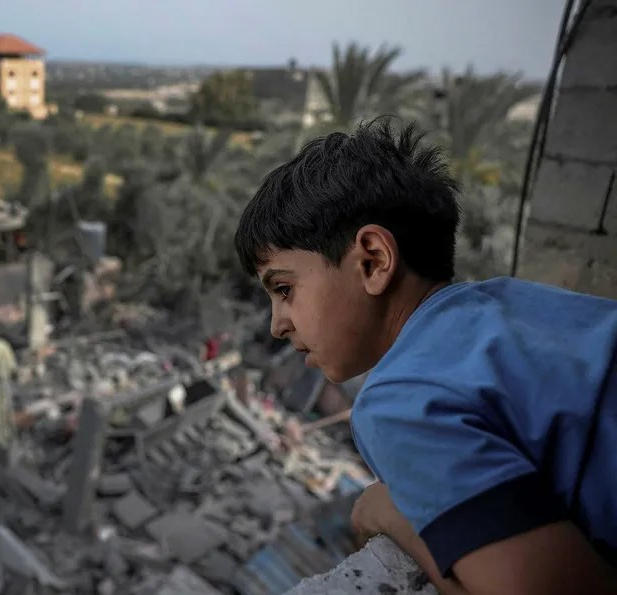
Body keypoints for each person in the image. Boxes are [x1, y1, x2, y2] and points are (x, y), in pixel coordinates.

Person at [233, 118, 617, 595]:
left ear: (373, 260)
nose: (277, 323)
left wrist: (389, 514)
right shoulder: (517, 305)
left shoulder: (401, 398)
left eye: (285, 288)